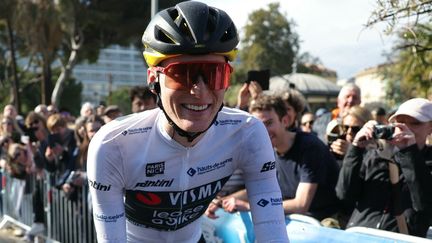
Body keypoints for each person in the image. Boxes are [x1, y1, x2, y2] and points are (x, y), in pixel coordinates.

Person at [87, 2, 289, 243]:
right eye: (182, 74)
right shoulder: (113, 145)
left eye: (214, 74)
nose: (200, 91)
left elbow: (272, 230)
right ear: (154, 80)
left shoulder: (247, 132)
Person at [214, 94, 340, 223]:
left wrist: (248, 207)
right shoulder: (266, 150)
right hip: (294, 221)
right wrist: (220, 203)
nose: (263, 131)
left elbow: (301, 205)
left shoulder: (310, 147)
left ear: (285, 121)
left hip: (322, 223)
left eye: (269, 123)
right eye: (258, 125)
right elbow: (258, 188)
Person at [336, 98, 432, 237]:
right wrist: (356, 149)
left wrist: (409, 152)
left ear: (430, 128)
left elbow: (425, 206)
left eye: (415, 123)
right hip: (358, 236)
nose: (406, 127)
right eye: (400, 122)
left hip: (401, 239)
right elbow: (344, 196)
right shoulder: (376, 155)